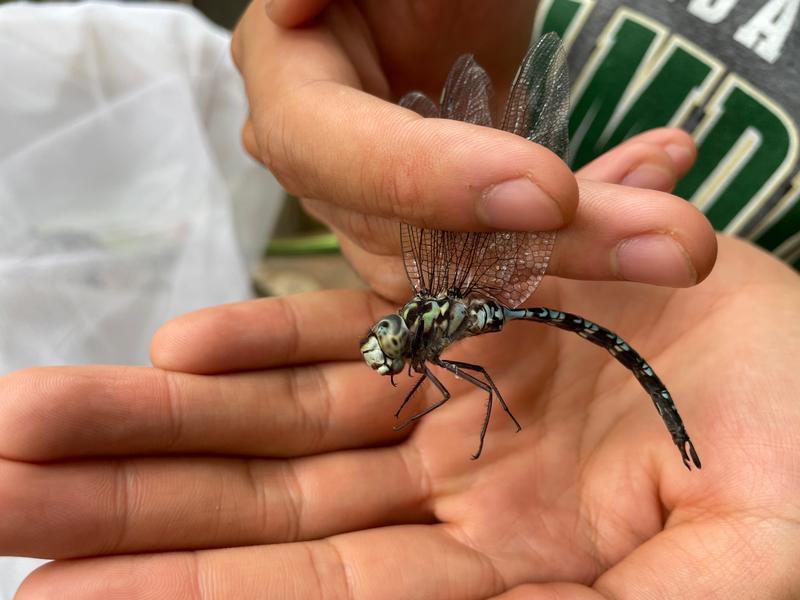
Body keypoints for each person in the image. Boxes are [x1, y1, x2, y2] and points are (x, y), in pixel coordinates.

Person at [2, 1, 800, 598]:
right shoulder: (431, 302)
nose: (387, 353)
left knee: (484, 389)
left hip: (693, 310)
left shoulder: (437, 320)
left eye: (389, 347)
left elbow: (465, 385)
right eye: (389, 346)